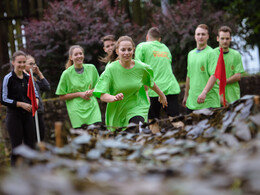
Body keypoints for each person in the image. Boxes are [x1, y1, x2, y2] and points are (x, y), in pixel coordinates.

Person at [93, 36, 168, 132]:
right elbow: (102, 95)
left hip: (137, 107)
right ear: (117, 51)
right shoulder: (111, 69)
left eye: (129, 49)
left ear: (133, 50)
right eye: (123, 50)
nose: (126, 53)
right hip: (118, 111)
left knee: (135, 130)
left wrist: (161, 95)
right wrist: (113, 98)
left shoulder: (140, 68)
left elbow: (150, 83)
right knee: (123, 140)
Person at [135, 27, 180, 132]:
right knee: (175, 119)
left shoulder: (142, 46)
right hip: (170, 87)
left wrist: (143, 90)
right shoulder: (165, 48)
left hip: (152, 90)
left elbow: (138, 69)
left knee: (153, 121)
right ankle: (188, 140)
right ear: (159, 39)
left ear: (147, 37)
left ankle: (157, 145)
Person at [1, 50, 39, 166]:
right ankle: (16, 177)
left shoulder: (29, 77)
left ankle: (32, 173)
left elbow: (35, 94)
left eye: (24, 62)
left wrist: (35, 103)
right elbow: (3, 98)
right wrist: (21, 104)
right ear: (13, 63)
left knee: (31, 146)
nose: (22, 65)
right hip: (14, 116)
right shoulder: (8, 78)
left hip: (28, 116)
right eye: (19, 62)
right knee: (17, 148)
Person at [56, 45, 101, 129]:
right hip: (76, 112)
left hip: (92, 108)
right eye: (76, 54)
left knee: (97, 134)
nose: (79, 56)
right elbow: (61, 96)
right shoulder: (66, 74)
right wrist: (79, 94)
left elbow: (99, 87)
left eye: (80, 53)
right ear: (71, 57)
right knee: (82, 140)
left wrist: (91, 91)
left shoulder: (92, 68)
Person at [182, 24, 220, 114]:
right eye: (198, 34)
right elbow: (189, 76)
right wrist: (186, 95)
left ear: (207, 36)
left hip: (208, 102)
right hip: (192, 103)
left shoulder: (212, 53)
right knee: (190, 128)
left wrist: (204, 92)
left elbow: (214, 75)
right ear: (195, 36)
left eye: (203, 34)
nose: (200, 37)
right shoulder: (190, 54)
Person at [24, 55, 51, 141]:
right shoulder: (22, 79)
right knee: (31, 139)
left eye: (34, 64)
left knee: (41, 137)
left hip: (39, 112)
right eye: (30, 64)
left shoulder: (34, 80)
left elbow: (46, 87)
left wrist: (39, 73)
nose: (33, 66)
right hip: (29, 113)